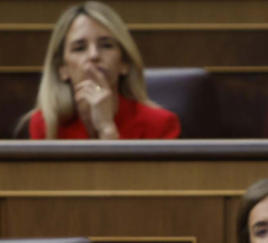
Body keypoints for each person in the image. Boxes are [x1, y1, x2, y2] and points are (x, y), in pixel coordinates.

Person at [25, 1, 180, 140]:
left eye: (106, 45)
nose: (94, 55)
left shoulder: (160, 124)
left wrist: (107, 129)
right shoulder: (46, 124)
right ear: (62, 68)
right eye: (79, 48)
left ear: (124, 63)